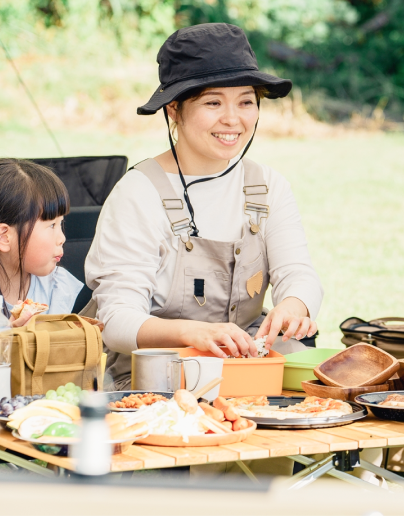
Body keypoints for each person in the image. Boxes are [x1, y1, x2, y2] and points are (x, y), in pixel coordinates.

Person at [86, 23, 323, 391]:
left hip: (247, 374)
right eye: (213, 103)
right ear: (174, 111)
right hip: (154, 383)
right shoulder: (138, 193)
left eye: (246, 101)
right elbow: (116, 322)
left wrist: (294, 306)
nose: (233, 119)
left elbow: (299, 273)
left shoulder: (268, 186)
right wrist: (194, 333)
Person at [0, 158, 83, 324]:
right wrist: (6, 338)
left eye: (61, 223)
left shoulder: (56, 287)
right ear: (4, 237)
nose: (62, 238)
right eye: (52, 225)